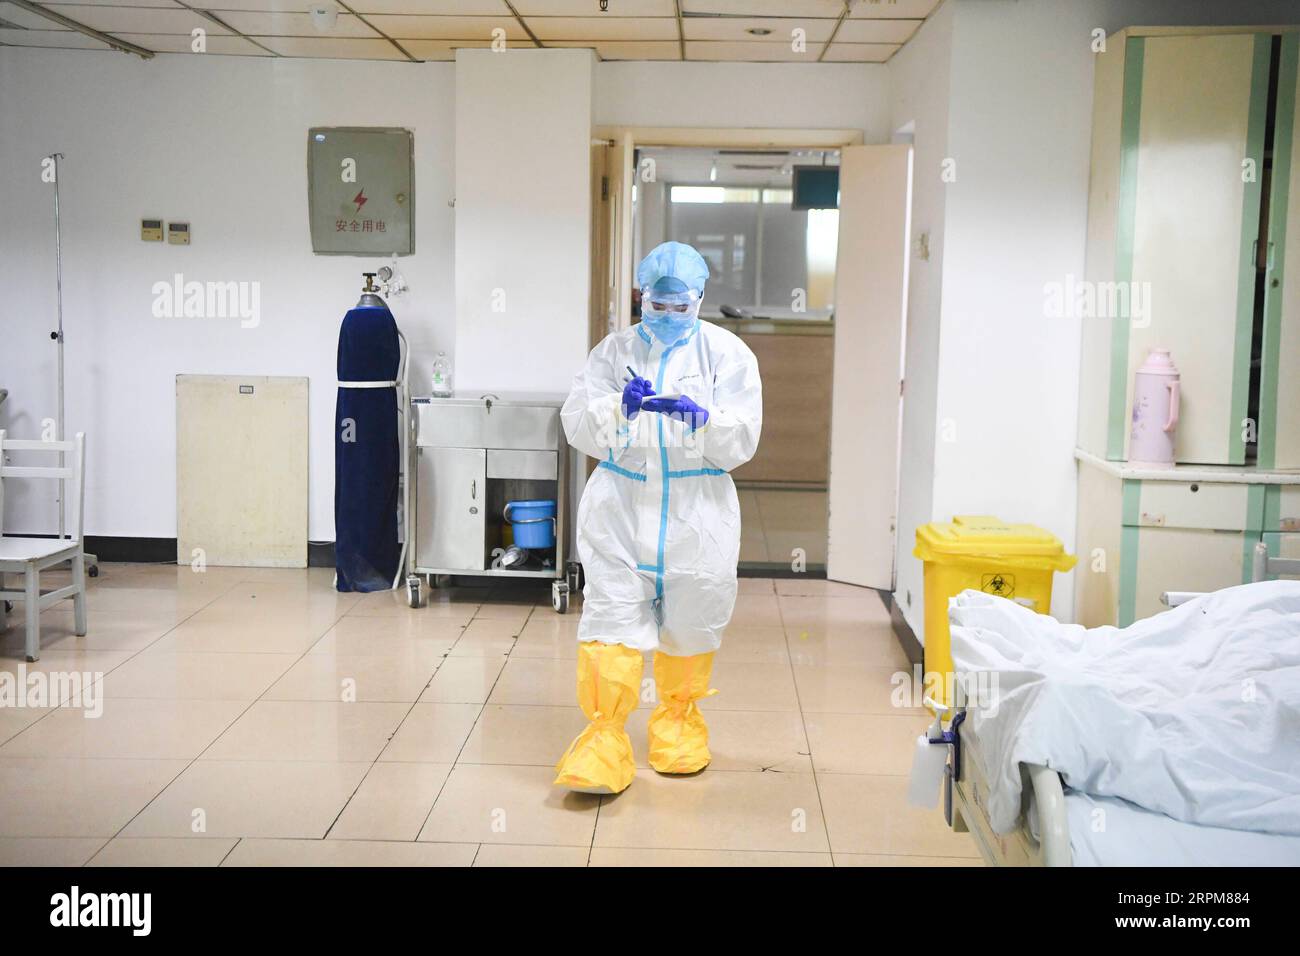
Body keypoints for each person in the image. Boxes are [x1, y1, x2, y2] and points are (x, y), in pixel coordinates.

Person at [555, 241, 763, 794]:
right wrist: (617, 409)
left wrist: (704, 420)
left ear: (699, 300)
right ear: (640, 297)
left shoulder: (728, 354)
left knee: (692, 622)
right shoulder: (612, 351)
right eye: (658, 304)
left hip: (701, 515)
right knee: (610, 624)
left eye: (681, 306)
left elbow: (743, 437)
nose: (669, 316)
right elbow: (576, 423)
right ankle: (603, 741)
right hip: (620, 509)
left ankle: (677, 726)